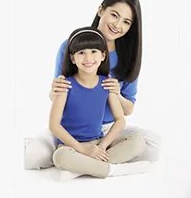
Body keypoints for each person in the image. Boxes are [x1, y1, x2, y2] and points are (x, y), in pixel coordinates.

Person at [49, 27, 148, 180]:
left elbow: (120, 120)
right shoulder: (65, 85)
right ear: (73, 58)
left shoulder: (106, 83)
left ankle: (81, 169)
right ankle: (113, 170)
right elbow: (54, 126)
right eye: (81, 53)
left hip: (98, 142)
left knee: (138, 142)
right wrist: (83, 150)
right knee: (60, 157)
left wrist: (102, 146)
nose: (88, 58)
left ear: (103, 55)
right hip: (72, 147)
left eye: (94, 51)